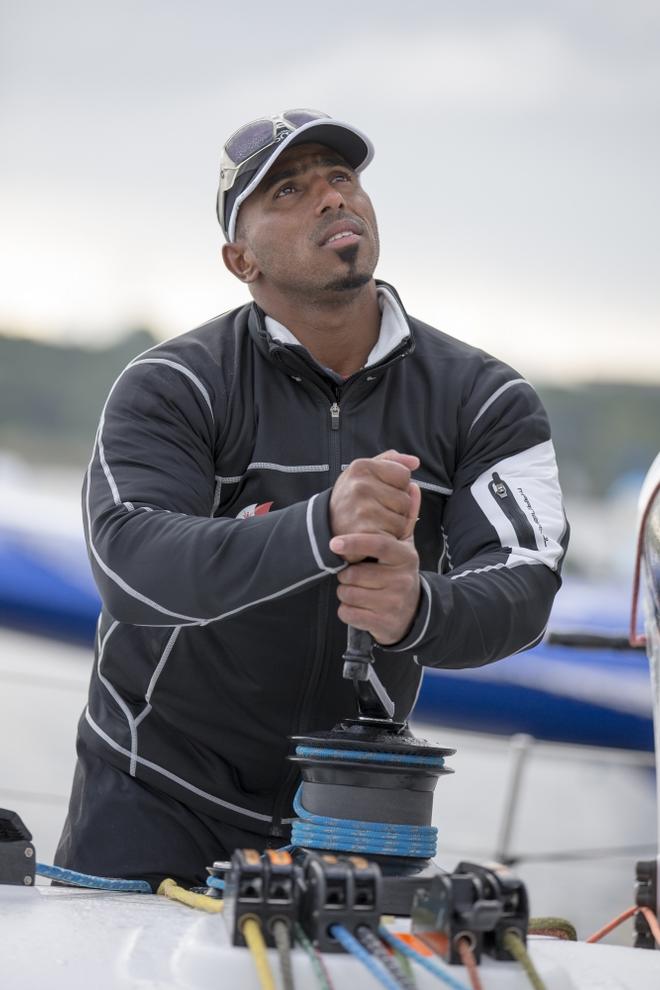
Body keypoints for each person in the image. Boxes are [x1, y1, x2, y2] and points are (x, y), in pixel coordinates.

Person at [55, 109, 569, 889]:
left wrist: (417, 608)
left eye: (341, 178)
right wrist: (319, 524)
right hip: (152, 797)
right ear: (240, 259)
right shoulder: (171, 384)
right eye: (287, 190)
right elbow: (129, 566)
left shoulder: (485, 399)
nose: (330, 199)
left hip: (352, 807)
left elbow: (527, 586)